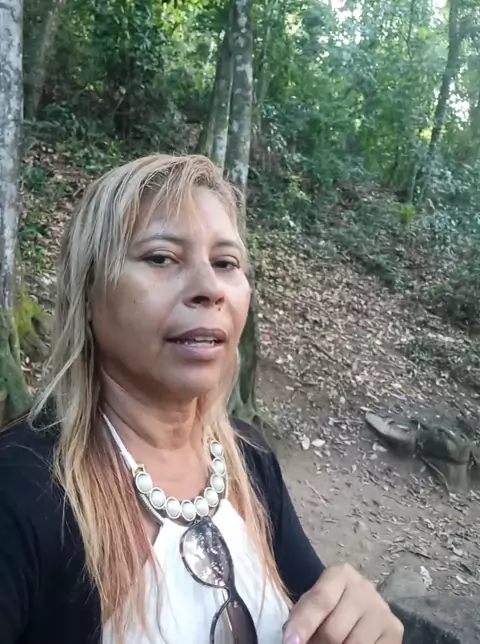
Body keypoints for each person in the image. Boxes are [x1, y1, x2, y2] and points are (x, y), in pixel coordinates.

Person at [0, 155, 404, 644]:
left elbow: (316, 617)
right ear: (87, 292)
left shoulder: (250, 462)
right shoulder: (21, 491)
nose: (209, 288)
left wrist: (354, 621)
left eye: (225, 263)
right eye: (161, 258)